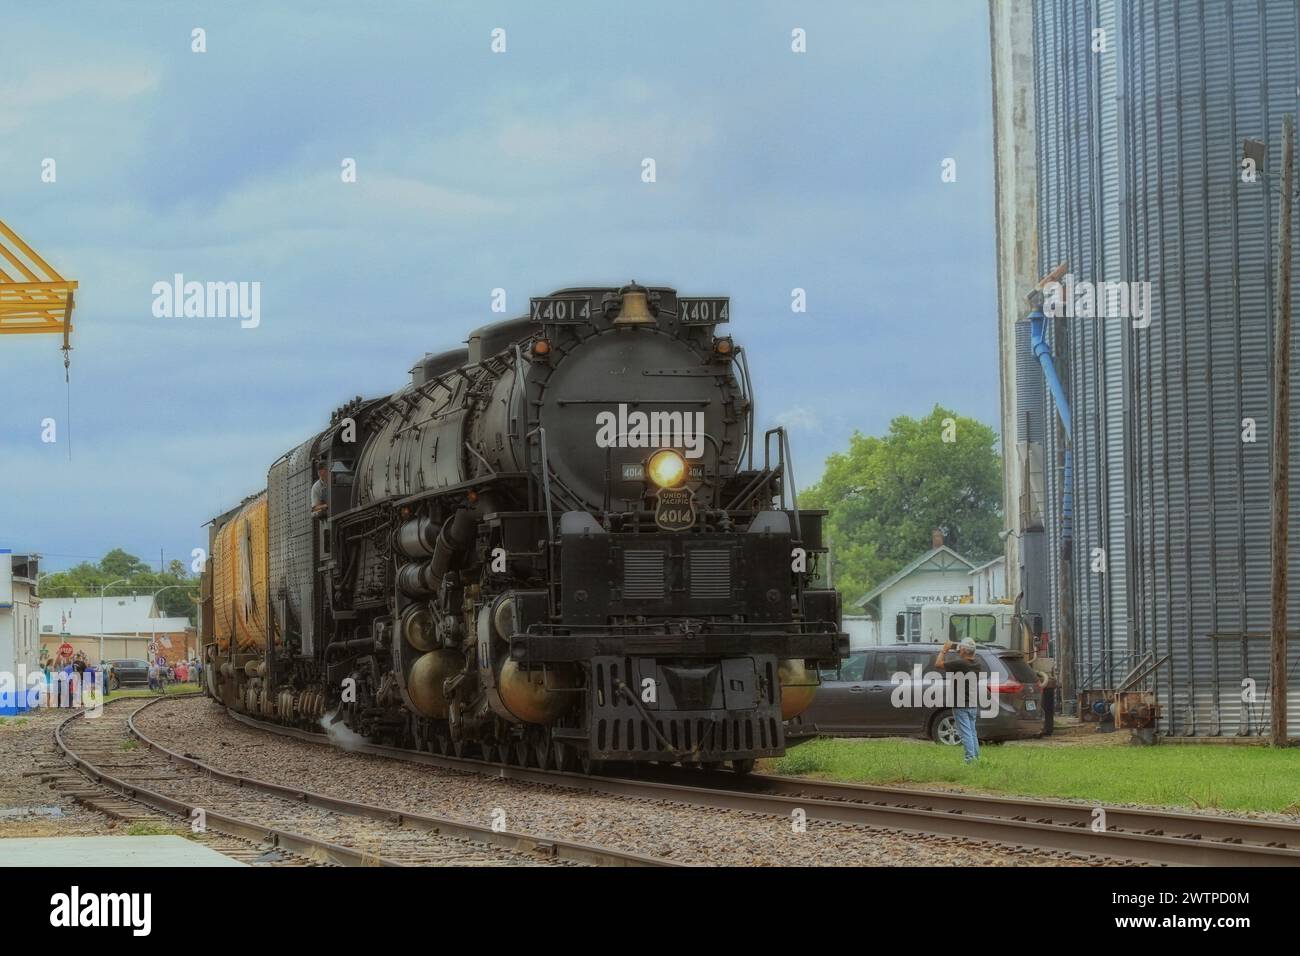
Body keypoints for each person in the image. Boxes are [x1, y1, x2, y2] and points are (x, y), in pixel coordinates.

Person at [935, 637, 984, 763]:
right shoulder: (977, 663)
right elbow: (963, 657)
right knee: (972, 732)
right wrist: (959, 650)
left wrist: (944, 650)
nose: (959, 650)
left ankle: (970, 760)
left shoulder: (960, 664)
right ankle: (976, 758)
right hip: (972, 703)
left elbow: (938, 664)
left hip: (961, 704)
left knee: (965, 733)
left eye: (961, 648)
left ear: (964, 650)